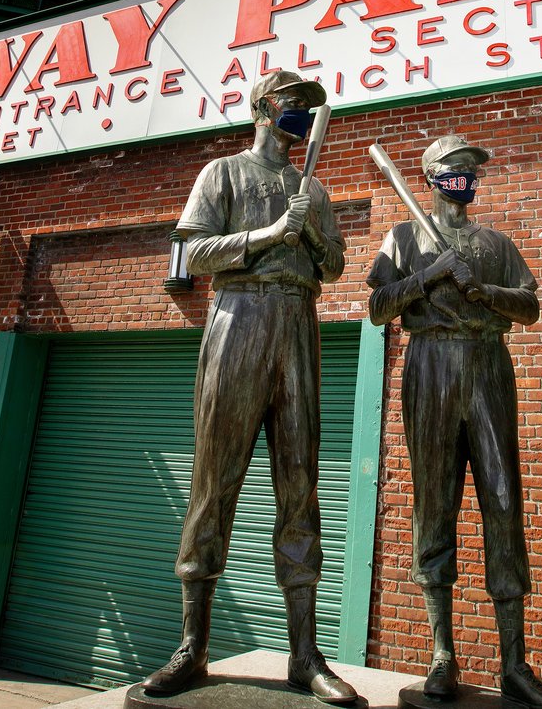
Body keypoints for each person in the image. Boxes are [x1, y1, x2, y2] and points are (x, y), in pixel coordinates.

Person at [142, 70, 358, 705]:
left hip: (297, 320)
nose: (299, 117)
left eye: (307, 110)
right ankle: (192, 645)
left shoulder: (311, 188)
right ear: (263, 108)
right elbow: (197, 254)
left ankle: (304, 654)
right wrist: (267, 235)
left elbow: (337, 264)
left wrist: (308, 228)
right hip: (238, 317)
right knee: (215, 483)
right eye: (291, 106)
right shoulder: (223, 173)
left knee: (301, 485)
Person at [366, 135, 542, 708]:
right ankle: (441, 656)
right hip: (429, 363)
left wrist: (485, 290)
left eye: (472, 169)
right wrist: (429, 276)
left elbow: (529, 306)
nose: (466, 176)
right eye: (455, 168)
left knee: (503, 501)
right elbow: (379, 306)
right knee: (435, 502)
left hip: (487, 365)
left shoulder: (496, 243)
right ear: (430, 176)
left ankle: (514, 663)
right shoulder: (403, 238)